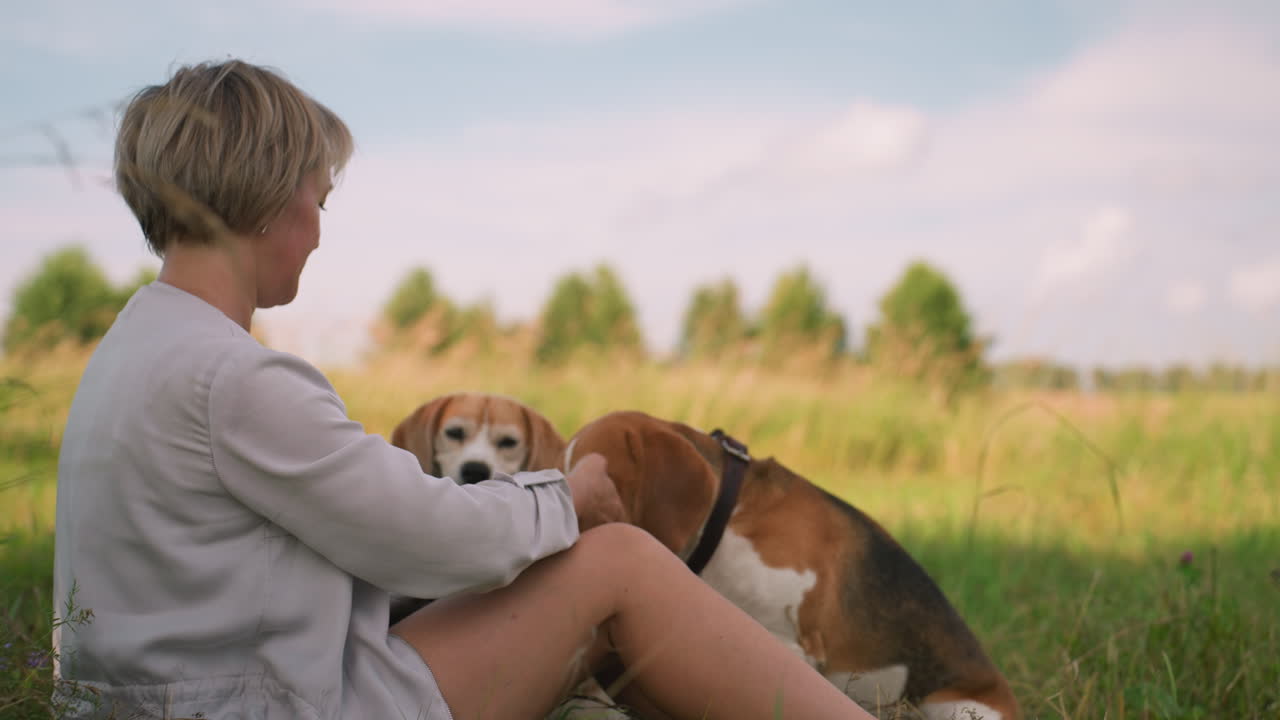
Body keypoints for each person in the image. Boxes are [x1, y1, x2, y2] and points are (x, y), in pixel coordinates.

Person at [51, 59, 876, 720]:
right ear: (269, 199)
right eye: (318, 197)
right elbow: (425, 536)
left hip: (178, 696)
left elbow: (361, 529)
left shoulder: (135, 352)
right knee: (618, 561)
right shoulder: (233, 377)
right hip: (258, 706)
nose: (319, 229)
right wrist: (567, 499)